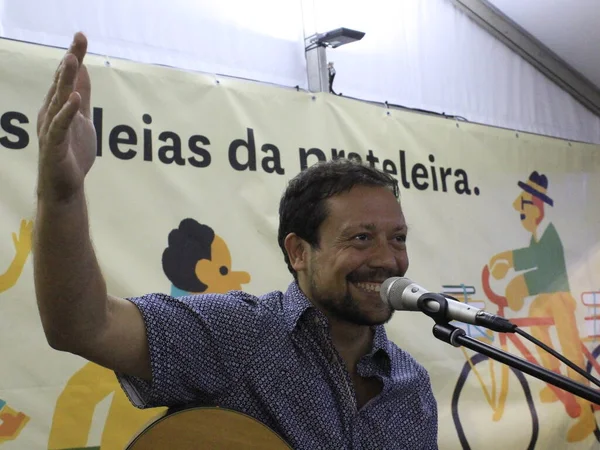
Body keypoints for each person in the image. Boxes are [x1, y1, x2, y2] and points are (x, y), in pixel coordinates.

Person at [34, 32, 438, 449]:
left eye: (398, 238)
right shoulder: (241, 334)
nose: (387, 259)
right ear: (299, 252)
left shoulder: (413, 390)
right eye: (361, 238)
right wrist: (62, 194)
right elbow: (83, 327)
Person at [489, 171, 595, 443]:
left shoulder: (549, 235)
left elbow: (546, 268)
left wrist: (517, 282)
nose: (520, 212)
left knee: (571, 353)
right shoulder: (538, 234)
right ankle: (556, 380)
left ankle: (586, 413)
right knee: (537, 329)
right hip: (547, 301)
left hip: (559, 300)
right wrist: (508, 260)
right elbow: (532, 257)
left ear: (536, 206)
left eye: (524, 206)